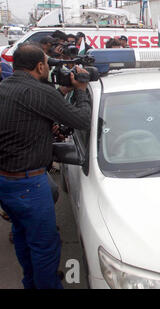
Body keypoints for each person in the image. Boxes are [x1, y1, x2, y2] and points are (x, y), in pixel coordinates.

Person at [0, 43, 91, 289]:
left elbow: (29, 109)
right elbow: (82, 119)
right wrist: (81, 90)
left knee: (22, 235)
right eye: (46, 63)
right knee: (45, 247)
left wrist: (60, 91)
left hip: (5, 182)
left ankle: (30, 282)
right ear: (40, 66)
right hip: (29, 184)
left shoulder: (5, 87)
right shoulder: (41, 92)